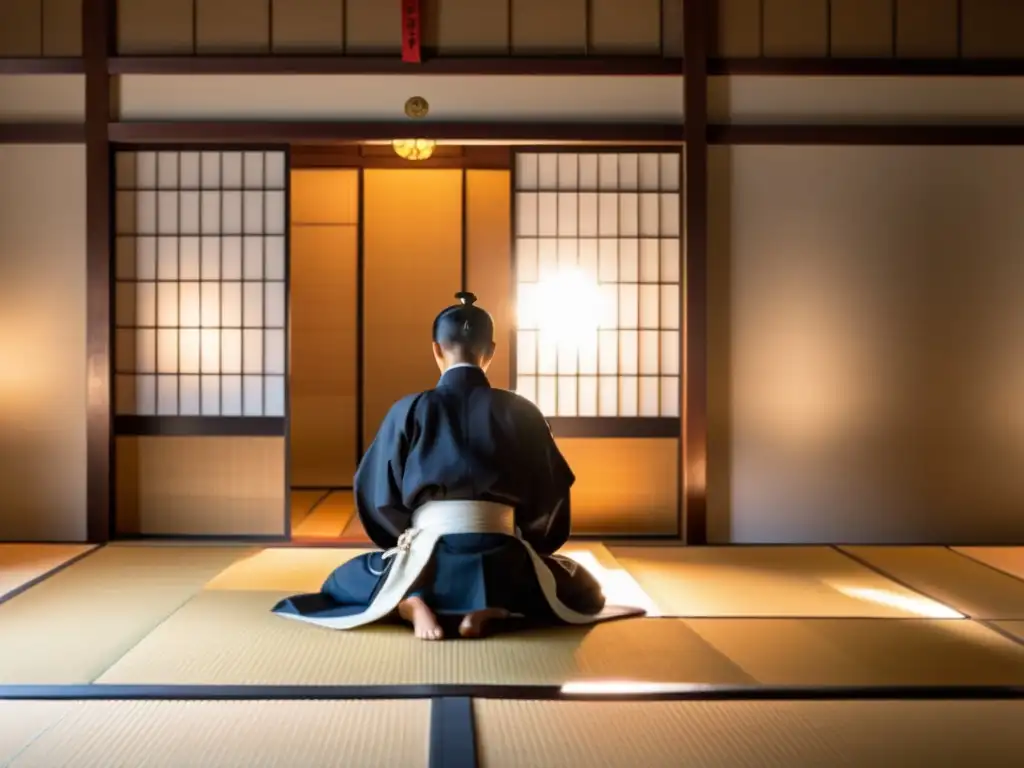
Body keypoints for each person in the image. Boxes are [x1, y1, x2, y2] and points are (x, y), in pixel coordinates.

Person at [273, 291, 643, 639]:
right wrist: (527, 540)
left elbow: (376, 492)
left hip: (429, 557)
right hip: (504, 556)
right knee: (584, 586)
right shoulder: (523, 412)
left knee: (344, 580)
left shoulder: (411, 408)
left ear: (436, 349)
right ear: (491, 351)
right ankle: (496, 606)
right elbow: (551, 493)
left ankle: (412, 601)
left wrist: (403, 539)